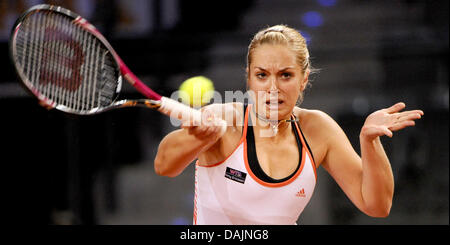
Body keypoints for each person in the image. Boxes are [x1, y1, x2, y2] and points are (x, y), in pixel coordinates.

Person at [153, 25, 424, 225]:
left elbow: (377, 205)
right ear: (249, 78)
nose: (273, 88)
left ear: (304, 80)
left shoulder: (318, 128)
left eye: (285, 75)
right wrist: (198, 139)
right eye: (262, 75)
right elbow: (164, 165)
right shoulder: (223, 118)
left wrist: (370, 141)